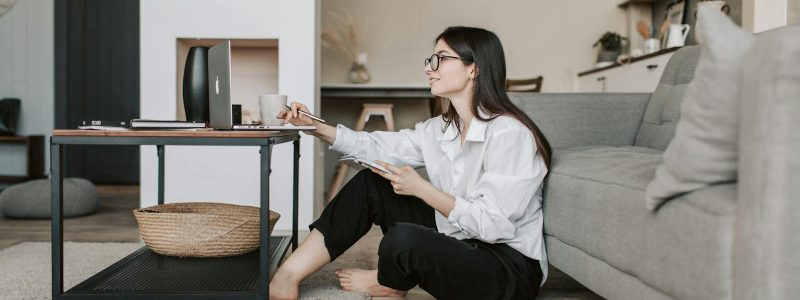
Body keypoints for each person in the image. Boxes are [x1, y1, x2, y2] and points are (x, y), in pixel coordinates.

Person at [270, 26, 552, 300]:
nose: (430, 68)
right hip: (461, 238)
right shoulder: (442, 128)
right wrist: (314, 126)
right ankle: (288, 275)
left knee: (403, 240)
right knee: (372, 183)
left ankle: (388, 281)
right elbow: (376, 146)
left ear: (473, 68)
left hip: (508, 268)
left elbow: (493, 227)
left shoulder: (510, 134)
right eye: (431, 59)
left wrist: (422, 189)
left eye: (441, 59)